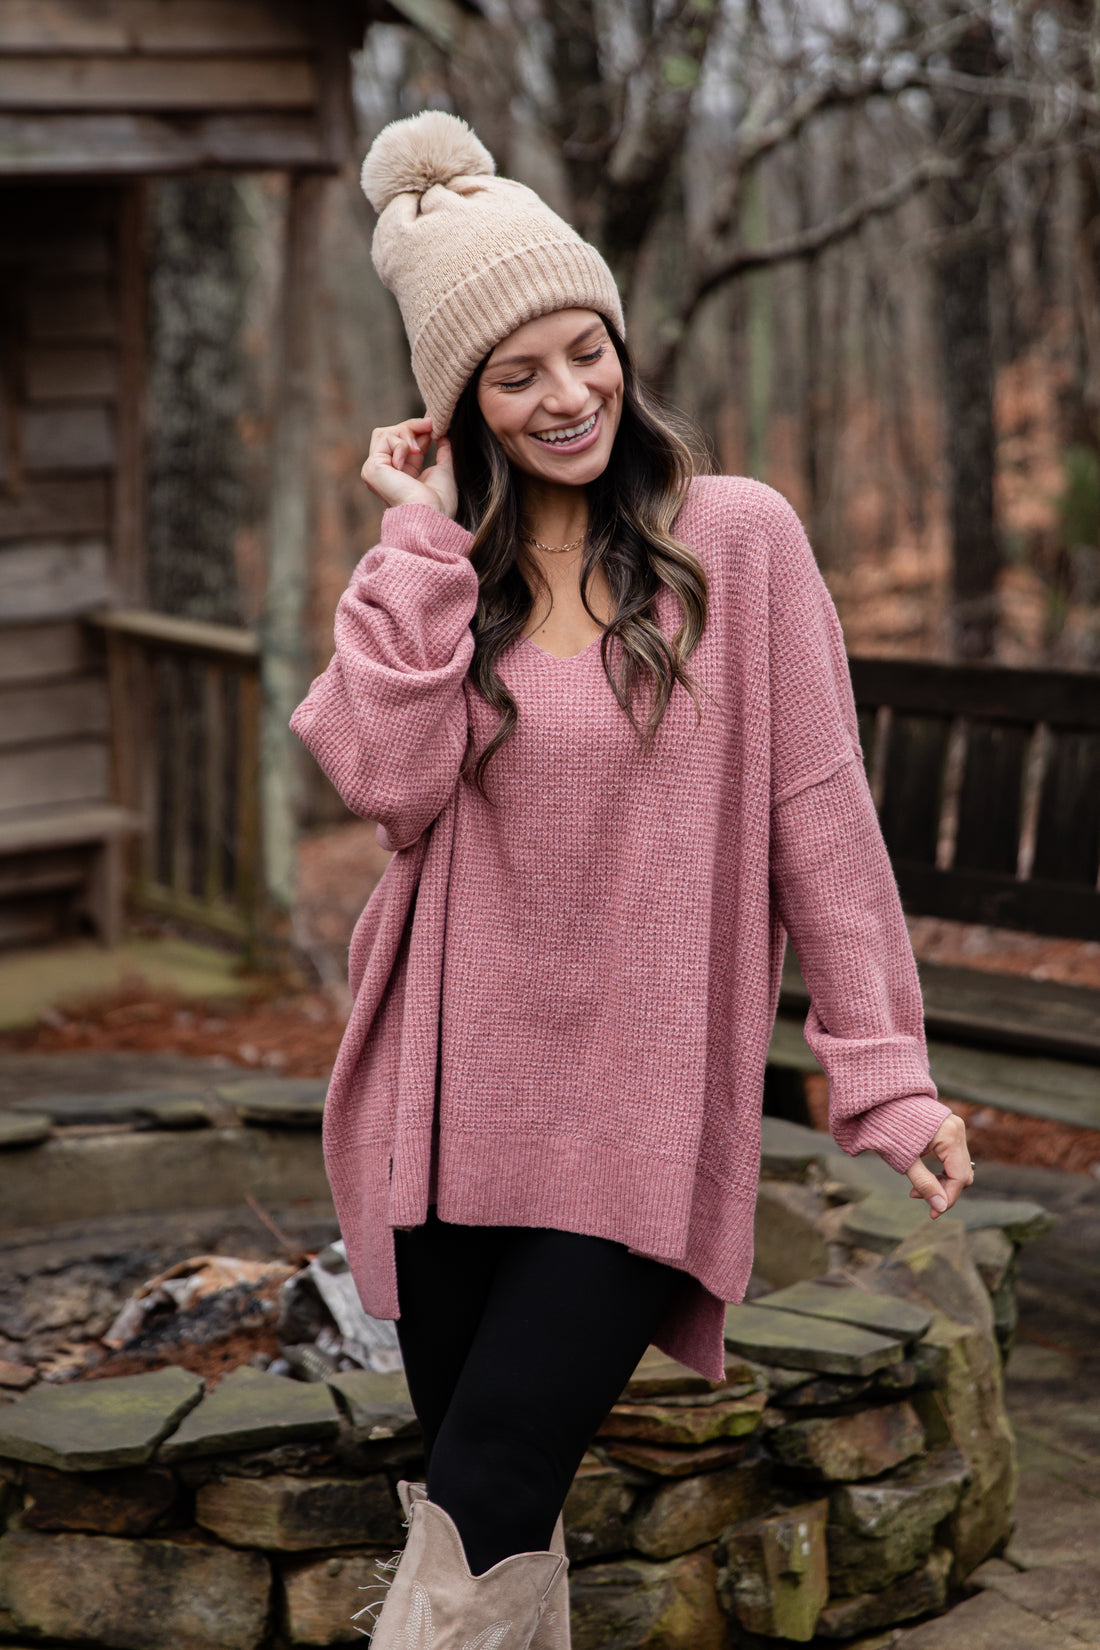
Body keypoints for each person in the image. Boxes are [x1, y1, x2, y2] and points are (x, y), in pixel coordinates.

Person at [290, 109, 973, 1650]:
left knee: (492, 1473)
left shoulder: (735, 540)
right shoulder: (433, 584)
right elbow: (382, 786)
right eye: (514, 374)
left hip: (634, 1112)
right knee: (482, 1513)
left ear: (622, 343)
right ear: (458, 404)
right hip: (452, 1110)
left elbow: (823, 817)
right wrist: (413, 546)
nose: (567, 395)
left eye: (584, 350)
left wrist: (883, 1071)